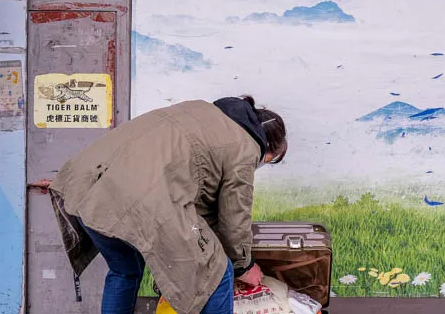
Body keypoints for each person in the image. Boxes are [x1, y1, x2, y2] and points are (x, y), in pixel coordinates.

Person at [47, 96, 287, 314]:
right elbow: (235, 217)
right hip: (136, 197)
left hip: (86, 182)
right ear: (267, 146)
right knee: (218, 273)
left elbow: (198, 189)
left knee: (125, 270)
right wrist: (244, 266)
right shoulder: (247, 147)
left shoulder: (200, 109)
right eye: (269, 161)